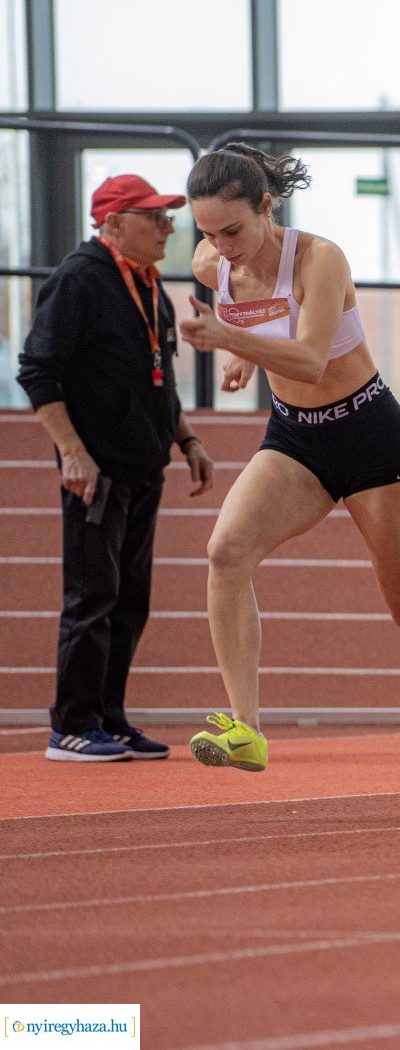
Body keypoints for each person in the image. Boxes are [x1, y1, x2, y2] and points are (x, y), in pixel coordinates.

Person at [175, 143, 400, 772]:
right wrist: (246, 348)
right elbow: (255, 317)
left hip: (370, 437)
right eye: (208, 232)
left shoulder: (320, 259)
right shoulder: (210, 261)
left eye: (234, 229)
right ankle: (247, 728)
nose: (221, 245)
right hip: (296, 439)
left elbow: (310, 357)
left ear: (268, 205)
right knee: (225, 551)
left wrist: (229, 340)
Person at [17, 174, 216, 762]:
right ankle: (72, 725)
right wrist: (73, 453)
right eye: (154, 217)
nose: (169, 227)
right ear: (113, 223)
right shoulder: (78, 280)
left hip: (143, 467)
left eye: (167, 216)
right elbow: (38, 371)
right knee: (92, 597)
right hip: (96, 472)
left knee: (131, 599)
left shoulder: (152, 287)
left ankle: (109, 717)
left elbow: (161, 377)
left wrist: (188, 441)